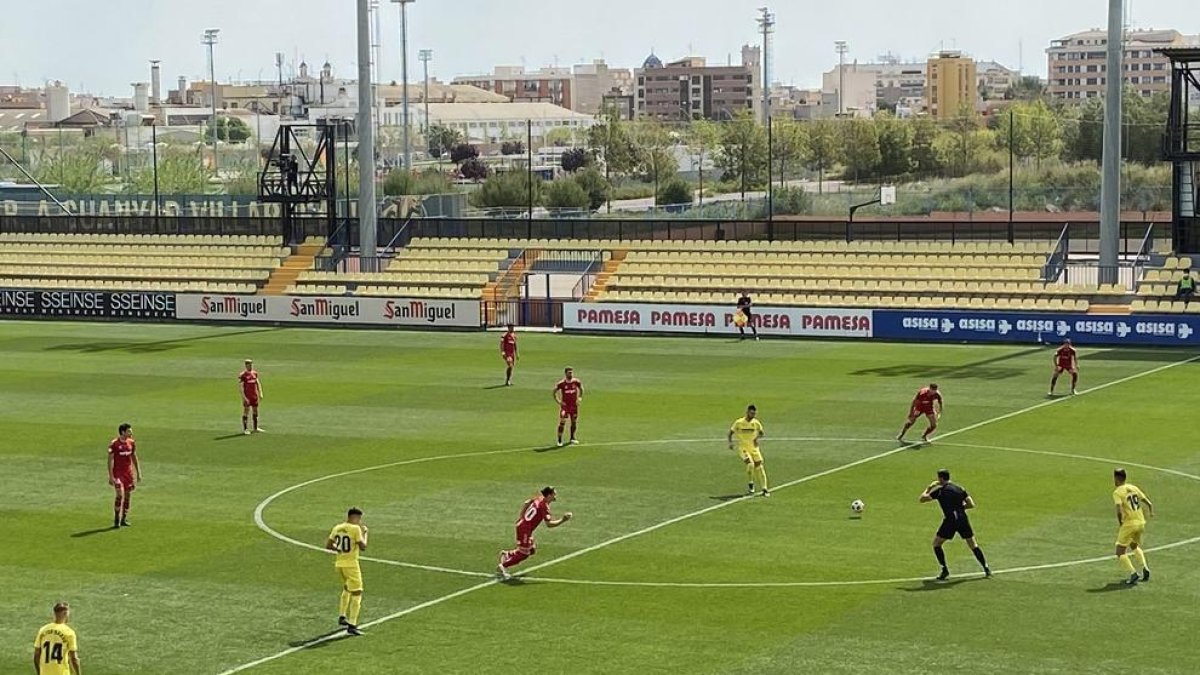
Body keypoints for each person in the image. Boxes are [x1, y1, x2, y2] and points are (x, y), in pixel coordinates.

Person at [920, 469, 991, 580]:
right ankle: (986, 567)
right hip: (962, 519)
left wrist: (929, 487)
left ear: (941, 478)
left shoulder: (940, 491)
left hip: (950, 520)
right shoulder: (959, 489)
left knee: (936, 544)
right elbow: (971, 504)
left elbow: (922, 499)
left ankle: (944, 570)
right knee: (973, 544)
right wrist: (960, 509)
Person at [497, 486, 572, 580]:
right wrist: (563, 520)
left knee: (532, 549)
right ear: (549, 495)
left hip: (524, 527)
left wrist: (521, 517)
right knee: (524, 553)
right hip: (524, 529)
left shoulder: (539, 498)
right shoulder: (544, 506)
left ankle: (508, 554)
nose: (555, 495)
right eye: (554, 494)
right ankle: (503, 566)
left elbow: (527, 502)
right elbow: (549, 524)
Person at [326, 507, 369, 636]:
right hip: (351, 565)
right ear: (354, 517)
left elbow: (328, 545)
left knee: (347, 588)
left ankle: (342, 615)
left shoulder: (337, 527)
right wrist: (365, 533)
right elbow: (363, 547)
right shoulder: (355, 529)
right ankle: (352, 624)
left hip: (339, 563)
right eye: (359, 518)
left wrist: (340, 549)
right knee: (357, 592)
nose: (359, 521)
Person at [1112, 468, 1153, 585]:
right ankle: (1145, 568)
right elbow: (1146, 500)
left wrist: (1120, 523)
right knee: (1134, 545)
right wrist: (1150, 509)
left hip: (1129, 524)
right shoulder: (1133, 487)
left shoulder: (1117, 492)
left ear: (1116, 478)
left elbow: (1119, 510)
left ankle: (1133, 573)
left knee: (1119, 552)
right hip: (1141, 522)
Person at [728, 404, 769, 497]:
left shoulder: (756, 423)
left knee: (760, 466)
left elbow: (762, 433)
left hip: (754, 448)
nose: (753, 415)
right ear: (747, 412)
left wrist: (756, 439)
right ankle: (751, 483)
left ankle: (764, 488)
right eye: (751, 413)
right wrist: (730, 443)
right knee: (750, 464)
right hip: (743, 448)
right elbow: (730, 433)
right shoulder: (739, 422)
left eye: (754, 414)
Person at [107, 423, 141, 529]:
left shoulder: (131, 442)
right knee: (119, 495)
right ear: (123, 432)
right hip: (118, 474)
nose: (131, 433)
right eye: (129, 431)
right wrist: (111, 476)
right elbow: (110, 460)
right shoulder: (115, 444)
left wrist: (138, 473)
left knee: (127, 496)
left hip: (128, 474)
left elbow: (134, 457)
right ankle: (116, 519)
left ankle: (124, 519)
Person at [33, 601, 80, 675]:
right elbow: (74, 658)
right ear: (65, 613)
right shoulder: (69, 632)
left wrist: (39, 672)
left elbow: (36, 654)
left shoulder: (43, 630)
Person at [553, 367, 584, 447]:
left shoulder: (576, 382)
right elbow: (554, 391)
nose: (571, 374)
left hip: (574, 406)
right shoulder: (562, 384)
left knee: (574, 422)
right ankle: (559, 440)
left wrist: (580, 398)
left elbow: (581, 389)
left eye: (571, 372)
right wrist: (559, 401)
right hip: (565, 407)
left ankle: (572, 438)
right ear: (565, 373)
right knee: (562, 422)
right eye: (569, 372)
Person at [238, 359, 263, 435]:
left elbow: (257, 383)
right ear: (246, 365)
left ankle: (255, 428)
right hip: (247, 396)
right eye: (248, 364)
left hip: (254, 396)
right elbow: (241, 387)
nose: (250, 365)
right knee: (246, 411)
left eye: (251, 364)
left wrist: (260, 393)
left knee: (255, 410)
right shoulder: (243, 375)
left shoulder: (254, 373)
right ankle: (245, 429)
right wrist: (244, 397)